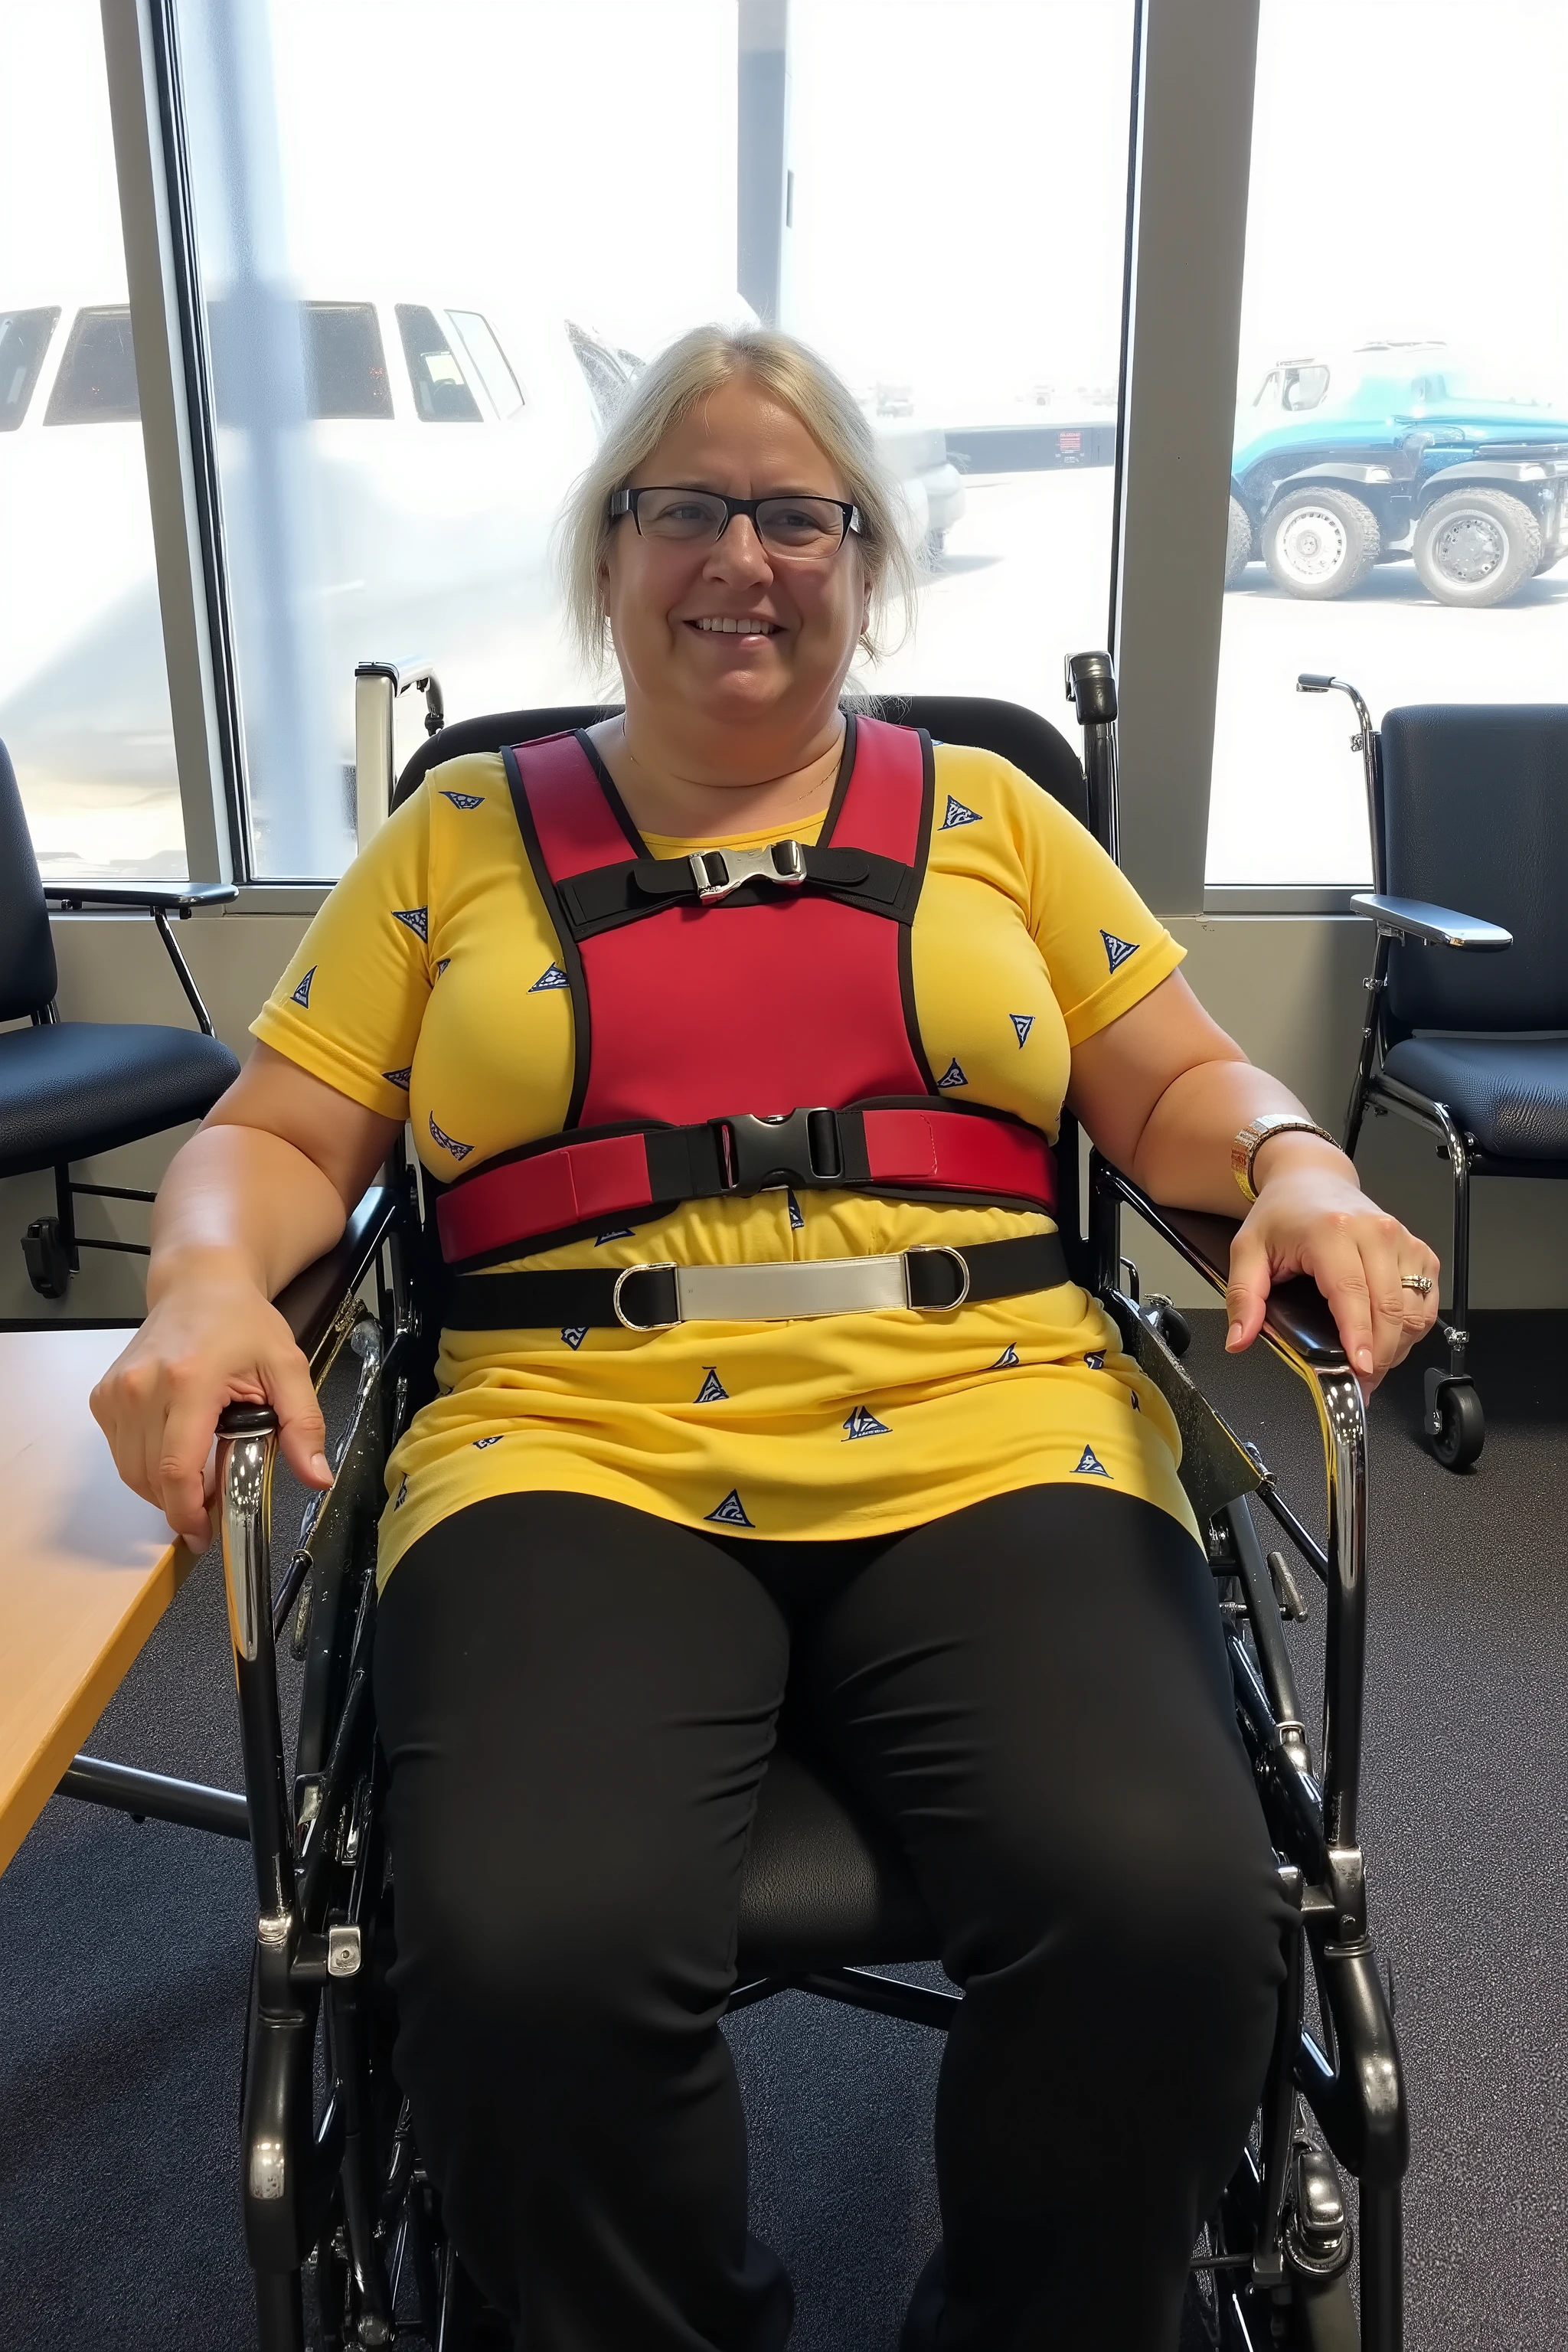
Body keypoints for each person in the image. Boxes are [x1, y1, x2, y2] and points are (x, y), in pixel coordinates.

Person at [92, 325, 1439, 2352]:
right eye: (691, 507)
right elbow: (278, 1137)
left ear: (867, 564)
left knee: (1168, 1925)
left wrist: (1300, 1166)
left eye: (800, 514)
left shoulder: (989, 813)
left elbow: (1179, 1090)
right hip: (565, 1442)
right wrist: (203, 1279)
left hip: (1004, 1431)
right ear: (608, 555)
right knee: (526, 1959)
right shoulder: (458, 839)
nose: (749, 555)